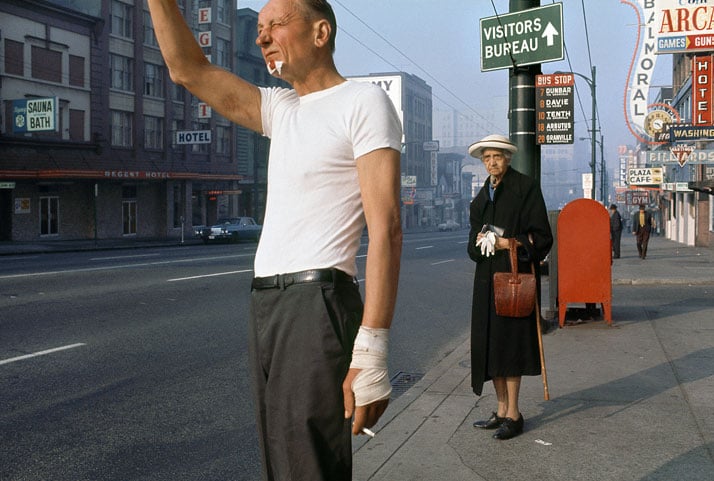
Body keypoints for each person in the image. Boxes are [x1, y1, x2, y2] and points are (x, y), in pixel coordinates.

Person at [147, 1, 403, 479]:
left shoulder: (363, 102)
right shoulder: (281, 107)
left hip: (316, 302)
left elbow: (386, 226)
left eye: (276, 25)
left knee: (308, 465)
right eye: (259, 29)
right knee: (281, 462)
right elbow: (187, 69)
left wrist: (372, 350)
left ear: (321, 32)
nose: (261, 38)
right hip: (267, 303)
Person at [466, 134, 553, 441]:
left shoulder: (525, 188)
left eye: (497, 157)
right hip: (486, 284)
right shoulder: (481, 198)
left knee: (510, 347)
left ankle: (514, 414)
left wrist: (507, 243)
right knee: (491, 347)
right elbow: (471, 246)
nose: (492, 162)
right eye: (487, 158)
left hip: (513, 282)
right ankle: (501, 410)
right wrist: (481, 245)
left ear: (508, 158)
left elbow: (542, 237)